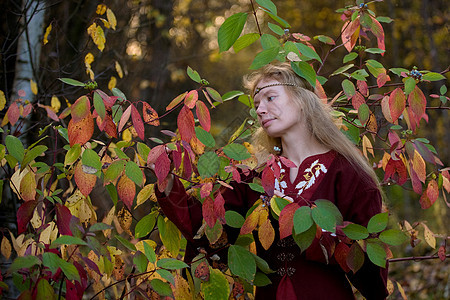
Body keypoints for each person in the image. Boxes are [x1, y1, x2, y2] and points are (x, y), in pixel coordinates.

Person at [156, 63, 388, 299]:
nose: (260, 110)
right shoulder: (256, 176)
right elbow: (210, 234)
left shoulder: (348, 171)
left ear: (302, 99)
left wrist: (321, 234)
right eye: (257, 104)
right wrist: (168, 182)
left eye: (270, 98)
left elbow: (370, 267)